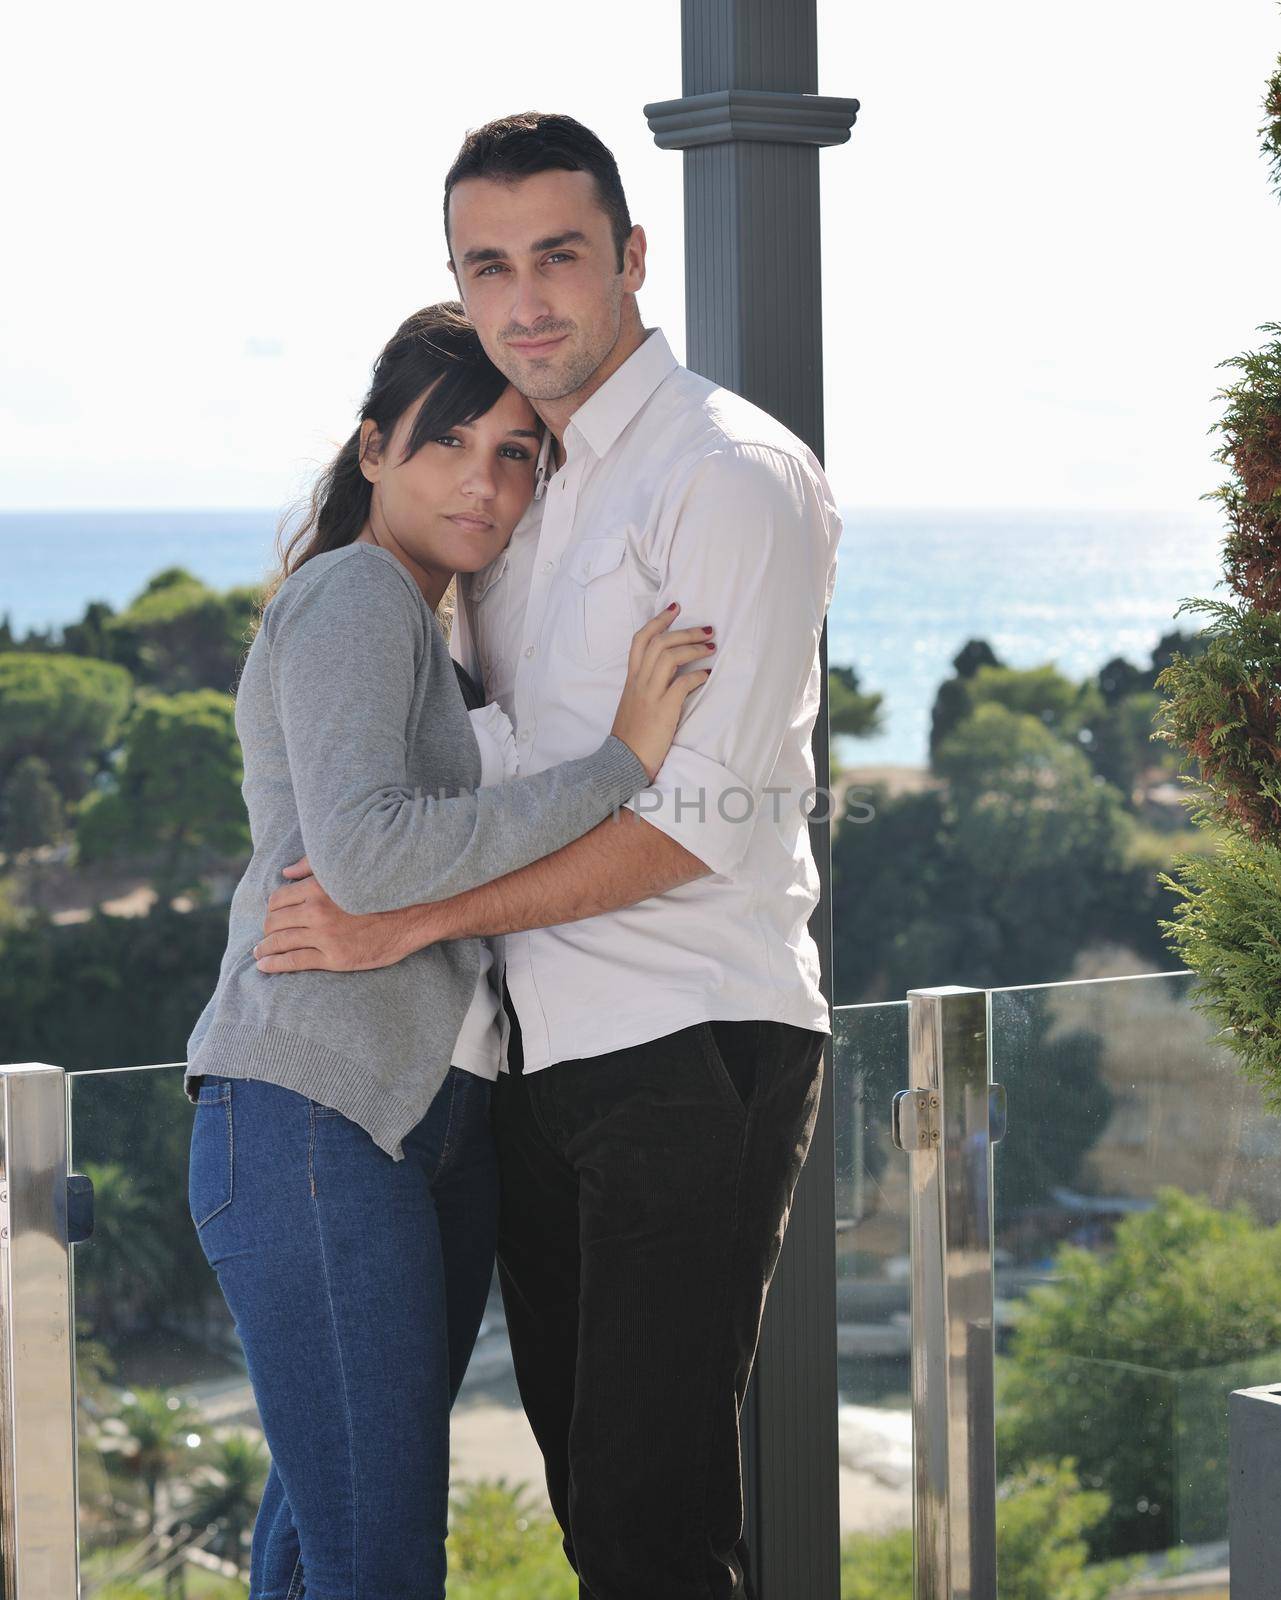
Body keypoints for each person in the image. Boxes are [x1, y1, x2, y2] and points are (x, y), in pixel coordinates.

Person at [255, 113, 842, 1600]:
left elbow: (700, 824)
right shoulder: (516, 500)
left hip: (690, 1042)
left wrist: (407, 918)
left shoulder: (725, 474)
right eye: (485, 265)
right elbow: (444, 771)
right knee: (593, 1520)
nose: (523, 300)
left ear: (632, 258)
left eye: (558, 257)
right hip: (533, 1069)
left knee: (652, 1534)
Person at [183, 300, 714, 1600]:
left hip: (420, 1124)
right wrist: (623, 763)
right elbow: (366, 859)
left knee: (324, 1546)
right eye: (448, 444)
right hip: (316, 1114)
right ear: (373, 451)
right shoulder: (355, 590)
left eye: (517, 453)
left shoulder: (433, 630)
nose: (483, 483)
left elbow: (410, 860)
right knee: (380, 1564)